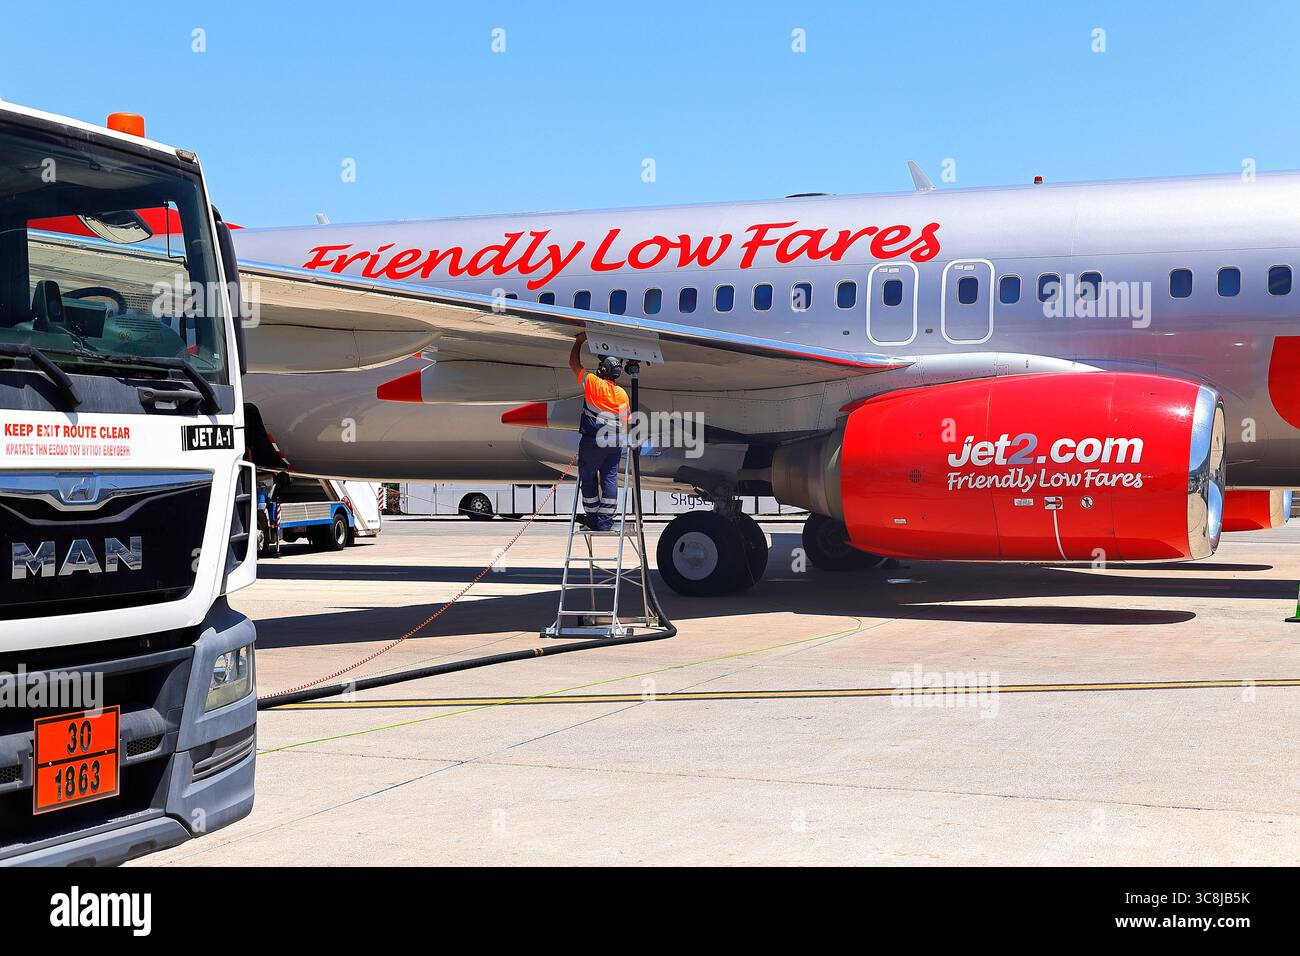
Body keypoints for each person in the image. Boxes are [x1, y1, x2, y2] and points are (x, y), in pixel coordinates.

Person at [569, 332, 629, 531]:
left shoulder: (594, 383)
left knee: (588, 477)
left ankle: (593, 518)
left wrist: (578, 342)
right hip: (615, 442)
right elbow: (626, 422)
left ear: (603, 370)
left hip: (594, 440)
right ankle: (605, 522)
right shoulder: (622, 394)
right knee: (610, 478)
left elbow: (574, 365)